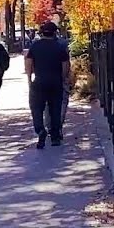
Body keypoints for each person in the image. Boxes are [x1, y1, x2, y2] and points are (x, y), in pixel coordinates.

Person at [25, 21, 72, 149]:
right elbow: (65, 66)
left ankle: (40, 130)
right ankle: (55, 136)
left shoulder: (35, 46)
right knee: (55, 109)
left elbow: (28, 62)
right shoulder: (60, 47)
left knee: (36, 109)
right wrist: (61, 78)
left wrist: (29, 78)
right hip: (55, 82)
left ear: (42, 32)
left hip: (39, 82)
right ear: (54, 32)